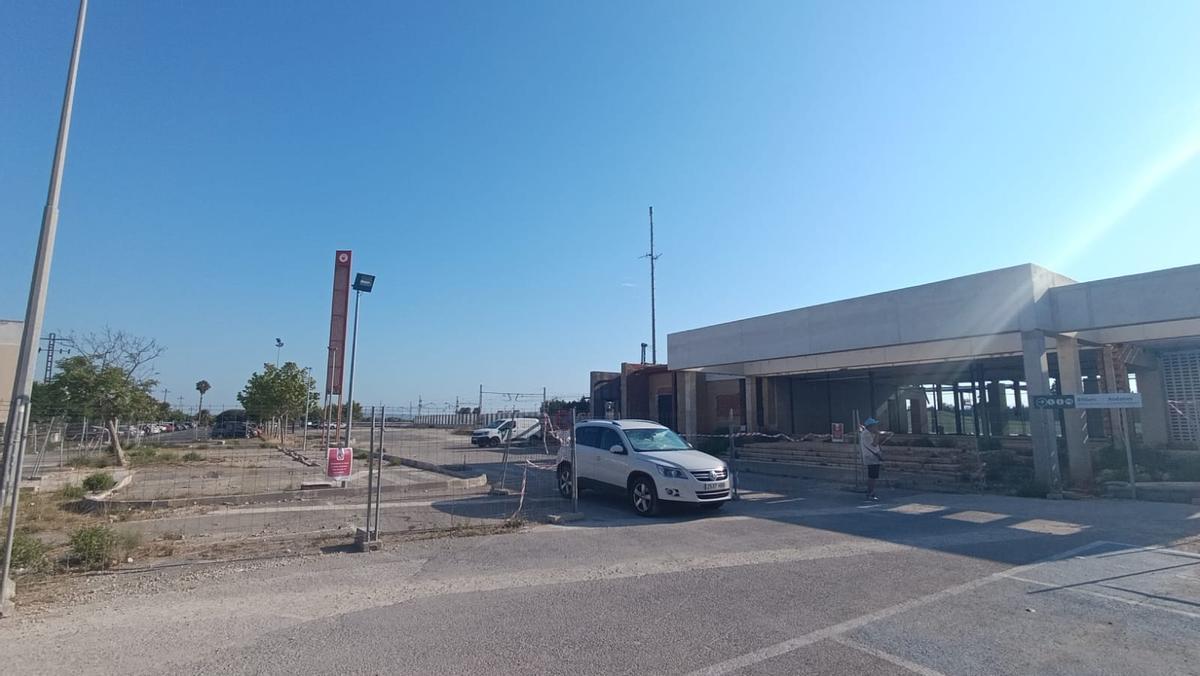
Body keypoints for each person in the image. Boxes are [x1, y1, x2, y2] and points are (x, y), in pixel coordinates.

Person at [859, 418, 892, 500]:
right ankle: (870, 493)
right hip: (871, 457)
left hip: (873, 457)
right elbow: (874, 444)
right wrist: (877, 434)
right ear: (870, 426)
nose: (876, 427)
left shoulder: (868, 433)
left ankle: (871, 492)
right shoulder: (866, 434)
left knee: (873, 476)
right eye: (874, 425)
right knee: (872, 476)